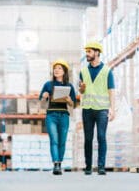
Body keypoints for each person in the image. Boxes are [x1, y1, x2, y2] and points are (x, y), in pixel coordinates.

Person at [79, 41, 115, 175]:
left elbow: (111, 90)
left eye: (89, 51)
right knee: (88, 138)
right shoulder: (83, 71)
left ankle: (101, 166)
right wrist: (81, 89)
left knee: (101, 136)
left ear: (97, 52)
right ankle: (88, 166)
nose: (87, 54)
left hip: (102, 109)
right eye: (86, 51)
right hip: (87, 109)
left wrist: (112, 108)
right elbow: (82, 91)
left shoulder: (107, 71)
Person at [39, 59, 76, 175]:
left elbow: (72, 104)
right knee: (54, 140)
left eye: (59, 68)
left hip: (64, 115)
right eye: (55, 68)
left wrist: (69, 100)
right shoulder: (48, 85)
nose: (56, 70)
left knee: (62, 141)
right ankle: (56, 164)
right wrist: (44, 97)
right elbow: (41, 103)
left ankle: (60, 162)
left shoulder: (69, 86)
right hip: (51, 115)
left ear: (64, 71)